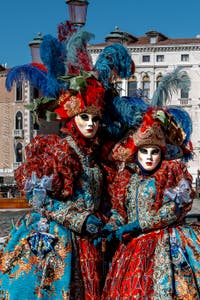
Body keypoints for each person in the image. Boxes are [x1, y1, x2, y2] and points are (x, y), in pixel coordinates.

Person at [0, 75, 110, 300]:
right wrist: (79, 220)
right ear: (71, 119)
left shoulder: (99, 160)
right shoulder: (55, 151)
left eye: (96, 119)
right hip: (58, 238)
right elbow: (38, 198)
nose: (91, 124)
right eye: (84, 117)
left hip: (91, 243)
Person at [101, 103, 200, 299]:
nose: (149, 157)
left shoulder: (171, 172)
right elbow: (120, 211)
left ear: (162, 153)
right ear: (136, 153)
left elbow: (174, 209)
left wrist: (140, 225)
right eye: (144, 151)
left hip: (165, 242)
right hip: (132, 248)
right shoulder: (128, 178)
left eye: (154, 152)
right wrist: (112, 227)